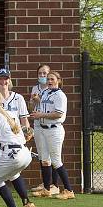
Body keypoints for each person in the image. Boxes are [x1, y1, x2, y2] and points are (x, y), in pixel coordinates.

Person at [0, 68, 36, 207]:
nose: (4, 81)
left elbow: (24, 120)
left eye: (6, 78)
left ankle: (26, 203)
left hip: (13, 140)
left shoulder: (18, 98)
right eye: (0, 78)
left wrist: (27, 132)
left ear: (10, 80)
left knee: (11, 174)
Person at [31, 72, 75, 200]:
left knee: (56, 161)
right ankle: (46, 189)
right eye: (48, 79)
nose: (49, 81)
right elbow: (43, 105)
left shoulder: (60, 95)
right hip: (43, 129)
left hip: (54, 130)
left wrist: (41, 115)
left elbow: (58, 114)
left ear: (58, 81)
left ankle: (69, 190)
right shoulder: (45, 92)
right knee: (45, 160)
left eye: (52, 79)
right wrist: (37, 100)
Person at [29, 64, 59, 194]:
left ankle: (54, 184)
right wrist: (33, 102)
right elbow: (31, 108)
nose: (42, 76)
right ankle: (46, 183)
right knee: (42, 155)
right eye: (40, 73)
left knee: (52, 156)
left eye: (45, 74)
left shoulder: (52, 89)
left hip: (50, 124)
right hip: (37, 123)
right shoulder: (35, 88)